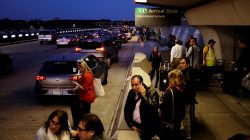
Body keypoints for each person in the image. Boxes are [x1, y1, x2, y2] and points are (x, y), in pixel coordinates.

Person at [124, 75, 160, 140]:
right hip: (136, 125)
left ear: (141, 83)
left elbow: (154, 110)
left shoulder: (152, 93)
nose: (134, 87)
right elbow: (127, 109)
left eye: (136, 85)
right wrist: (131, 125)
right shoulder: (131, 92)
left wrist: (145, 96)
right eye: (132, 85)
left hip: (147, 127)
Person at [160, 69, 187, 140]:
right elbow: (183, 110)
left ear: (174, 79)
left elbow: (164, 108)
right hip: (177, 122)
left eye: (170, 79)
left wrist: (161, 102)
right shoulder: (183, 89)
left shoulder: (170, 92)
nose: (169, 80)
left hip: (168, 124)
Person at [71, 61, 95, 127]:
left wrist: (77, 84)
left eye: (79, 68)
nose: (78, 70)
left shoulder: (86, 75)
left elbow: (85, 89)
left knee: (85, 113)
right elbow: (82, 84)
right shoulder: (85, 74)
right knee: (85, 112)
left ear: (83, 67)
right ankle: (86, 125)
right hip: (85, 96)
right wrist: (76, 88)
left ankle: (87, 125)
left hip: (86, 97)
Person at [179, 57, 197, 139]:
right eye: (180, 63)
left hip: (187, 98)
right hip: (188, 97)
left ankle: (187, 134)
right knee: (186, 115)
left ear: (188, 64)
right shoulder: (186, 71)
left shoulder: (188, 73)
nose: (181, 65)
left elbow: (186, 85)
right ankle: (184, 130)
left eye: (183, 63)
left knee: (186, 116)